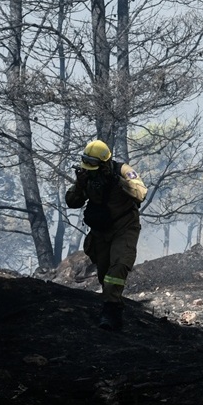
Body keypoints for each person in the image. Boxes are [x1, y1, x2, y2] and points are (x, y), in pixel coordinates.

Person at [65, 139, 147, 331]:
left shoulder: (123, 171)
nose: (91, 171)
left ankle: (110, 311)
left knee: (118, 266)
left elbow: (140, 193)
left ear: (105, 163)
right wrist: (80, 185)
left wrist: (117, 181)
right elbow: (71, 201)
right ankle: (114, 304)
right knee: (104, 273)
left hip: (124, 227)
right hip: (101, 232)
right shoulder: (87, 175)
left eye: (95, 167)